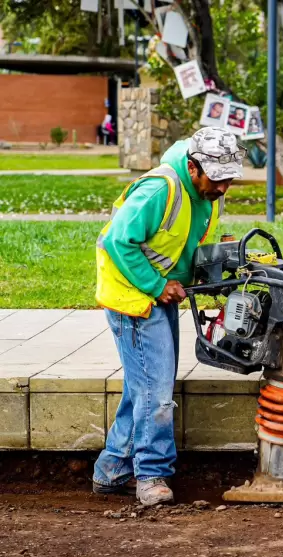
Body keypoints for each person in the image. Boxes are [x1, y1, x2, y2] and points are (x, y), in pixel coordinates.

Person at [92, 127, 244, 506]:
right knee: (155, 392)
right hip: (134, 296)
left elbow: (180, 242)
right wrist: (157, 285)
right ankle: (151, 474)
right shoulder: (160, 189)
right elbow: (116, 241)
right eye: (218, 178)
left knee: (143, 387)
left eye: (229, 179)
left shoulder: (203, 194)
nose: (224, 188)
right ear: (193, 167)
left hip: (156, 293)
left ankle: (111, 470)